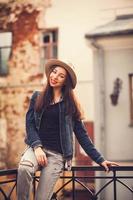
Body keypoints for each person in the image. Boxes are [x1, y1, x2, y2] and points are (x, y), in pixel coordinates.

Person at [17, 59, 118, 200]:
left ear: (66, 82)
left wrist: (100, 159)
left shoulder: (71, 106)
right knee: (24, 169)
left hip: (56, 156)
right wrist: (37, 147)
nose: (55, 77)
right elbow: (30, 124)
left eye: (61, 76)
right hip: (36, 149)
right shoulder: (37, 97)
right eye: (54, 72)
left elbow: (82, 135)